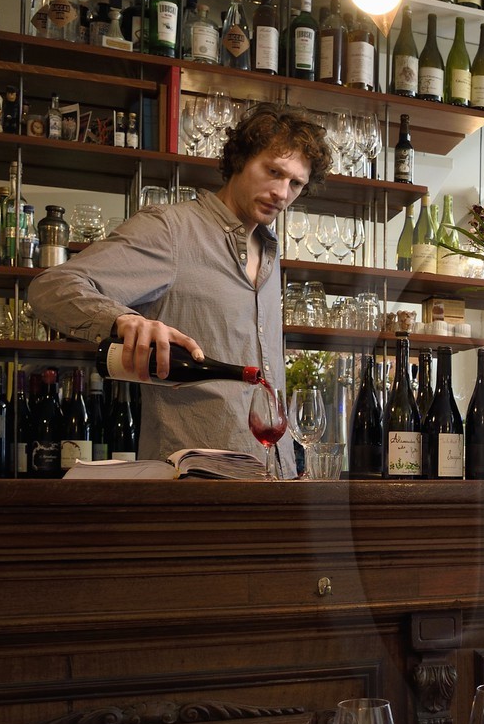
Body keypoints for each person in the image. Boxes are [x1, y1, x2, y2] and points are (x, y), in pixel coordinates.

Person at [29, 102, 331, 472]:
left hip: (271, 480)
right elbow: (51, 286)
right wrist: (123, 320)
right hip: (193, 486)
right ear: (240, 159)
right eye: (273, 172)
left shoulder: (269, 252)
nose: (282, 193)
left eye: (295, 183)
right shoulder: (171, 231)